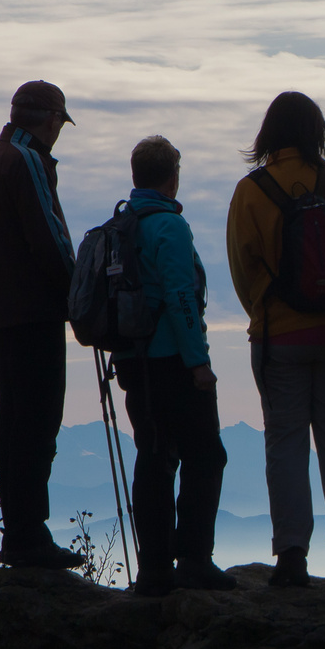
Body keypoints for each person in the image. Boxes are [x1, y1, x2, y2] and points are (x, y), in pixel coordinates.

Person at [226, 92, 325, 587]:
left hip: (277, 339)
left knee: (285, 445)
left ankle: (291, 558)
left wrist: (267, 314)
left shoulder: (251, 192)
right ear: (317, 131)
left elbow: (242, 272)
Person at [0, 80, 86, 569]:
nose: (59, 131)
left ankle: (18, 531)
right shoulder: (27, 161)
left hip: (1, 312)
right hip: (33, 311)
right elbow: (50, 239)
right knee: (38, 423)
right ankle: (29, 534)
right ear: (48, 119)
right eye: (60, 122)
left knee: (13, 422)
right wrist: (80, 295)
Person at [114, 136, 233, 597]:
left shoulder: (121, 225)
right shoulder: (169, 226)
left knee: (154, 454)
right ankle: (196, 561)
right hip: (171, 361)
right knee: (206, 455)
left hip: (130, 361)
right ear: (172, 178)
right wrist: (198, 364)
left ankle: (156, 568)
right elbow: (183, 297)